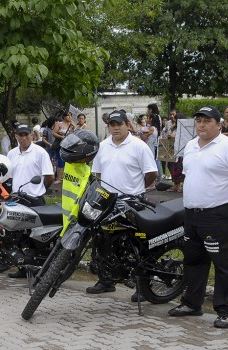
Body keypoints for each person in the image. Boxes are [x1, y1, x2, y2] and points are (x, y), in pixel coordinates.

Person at [168, 105, 228, 329]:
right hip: (192, 214)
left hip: (218, 215)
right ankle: (191, 304)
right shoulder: (190, 146)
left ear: (219, 124)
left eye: (207, 121)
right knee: (193, 261)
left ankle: (227, 311)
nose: (202, 124)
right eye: (199, 120)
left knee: (224, 264)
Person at [86, 110, 158, 301]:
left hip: (132, 202)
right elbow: (98, 174)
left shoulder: (139, 146)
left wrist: (137, 189)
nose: (115, 128)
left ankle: (142, 286)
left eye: (119, 124)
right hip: (108, 202)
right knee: (104, 241)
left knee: (137, 245)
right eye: (112, 124)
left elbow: (151, 173)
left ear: (127, 124)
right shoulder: (102, 146)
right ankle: (106, 280)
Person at [7, 124, 54, 206]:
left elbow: (49, 177)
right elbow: (10, 177)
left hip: (35, 199)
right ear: (16, 136)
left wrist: (39, 189)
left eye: (26, 135)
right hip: (17, 198)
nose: (24, 138)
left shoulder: (40, 152)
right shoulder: (11, 154)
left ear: (32, 135)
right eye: (21, 135)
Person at [52, 111, 76, 185]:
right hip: (60, 145)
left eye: (70, 116)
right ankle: (59, 178)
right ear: (64, 117)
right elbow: (54, 133)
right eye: (68, 116)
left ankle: (68, 177)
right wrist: (61, 136)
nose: (69, 117)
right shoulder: (59, 124)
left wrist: (74, 127)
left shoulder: (72, 125)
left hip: (69, 145)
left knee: (69, 162)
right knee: (60, 161)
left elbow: (76, 133)